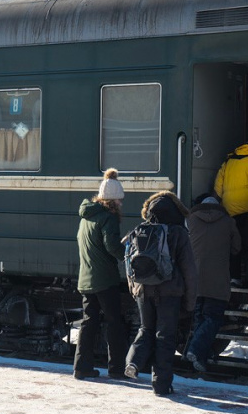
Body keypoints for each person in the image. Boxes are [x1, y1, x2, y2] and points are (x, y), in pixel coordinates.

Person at [124, 191, 197, 396]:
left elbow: (129, 263)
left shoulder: (141, 229)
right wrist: (190, 302)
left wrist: (134, 289)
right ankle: (161, 385)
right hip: (169, 293)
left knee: (145, 329)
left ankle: (133, 363)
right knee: (165, 336)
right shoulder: (178, 232)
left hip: (143, 291)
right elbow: (189, 270)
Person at [73, 168, 129, 380]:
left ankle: (81, 367)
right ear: (112, 200)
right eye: (119, 201)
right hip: (105, 279)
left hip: (86, 278)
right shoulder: (109, 218)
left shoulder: (86, 216)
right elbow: (111, 246)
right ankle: (116, 369)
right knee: (115, 322)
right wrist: (128, 255)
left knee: (89, 322)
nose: (121, 204)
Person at [184, 195, 240, 372]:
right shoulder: (228, 221)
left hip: (195, 279)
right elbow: (237, 248)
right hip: (217, 281)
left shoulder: (190, 220)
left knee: (200, 318)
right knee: (214, 318)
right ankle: (194, 349)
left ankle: (200, 358)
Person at [213, 135, 248, 287]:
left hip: (230, 211)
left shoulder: (229, 161)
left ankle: (234, 277)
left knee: (234, 245)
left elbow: (218, 187)